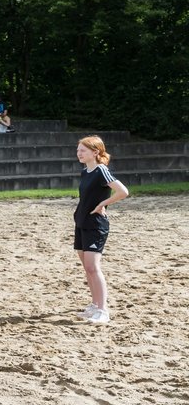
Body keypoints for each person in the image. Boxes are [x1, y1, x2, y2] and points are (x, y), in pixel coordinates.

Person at [75, 136, 128, 325]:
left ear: (95, 152)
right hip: (81, 222)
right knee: (87, 268)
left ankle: (103, 310)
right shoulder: (85, 171)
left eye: (83, 150)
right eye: (78, 150)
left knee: (93, 268)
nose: (79, 153)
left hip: (95, 225)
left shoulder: (101, 170)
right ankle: (95, 305)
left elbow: (123, 191)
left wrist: (103, 204)